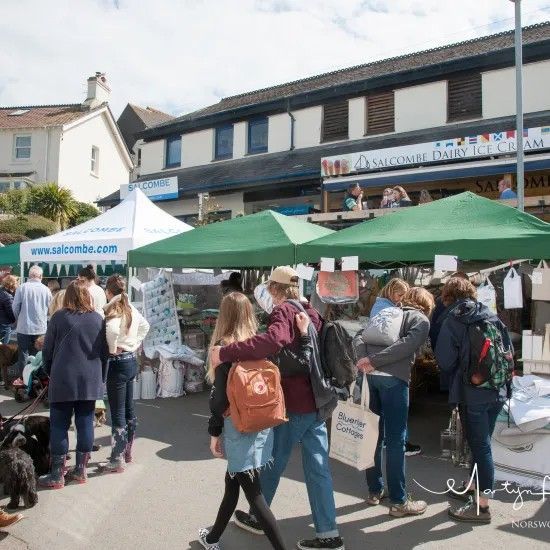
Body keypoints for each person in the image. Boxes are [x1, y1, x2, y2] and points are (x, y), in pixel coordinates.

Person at [210, 266, 343, 550]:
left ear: (274, 287)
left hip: (294, 403)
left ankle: (260, 516)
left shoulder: (283, 311)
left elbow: (273, 341)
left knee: (271, 460)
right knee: (318, 469)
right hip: (318, 402)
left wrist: (227, 352)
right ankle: (328, 534)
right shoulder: (312, 312)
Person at [200, 292, 299, 550]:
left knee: (254, 496)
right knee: (233, 482)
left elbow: (219, 399)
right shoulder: (257, 343)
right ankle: (212, 539)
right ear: (248, 313)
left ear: (224, 315)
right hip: (261, 421)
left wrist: (214, 434)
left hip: (237, 425)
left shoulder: (224, 348)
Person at [435, 278, 512, 524]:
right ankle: (471, 487)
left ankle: (482, 506)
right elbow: (509, 351)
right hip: (497, 389)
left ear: (448, 296)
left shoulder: (452, 320)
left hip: (473, 392)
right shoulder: (490, 315)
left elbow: (445, 361)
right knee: (481, 442)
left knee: (480, 446)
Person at [356, 287, 434, 517]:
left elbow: (359, 335)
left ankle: (374, 491)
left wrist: (365, 360)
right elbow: (407, 346)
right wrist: (375, 361)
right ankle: (399, 501)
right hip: (394, 380)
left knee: (373, 435)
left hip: (371, 379)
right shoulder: (420, 319)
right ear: (427, 306)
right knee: (395, 439)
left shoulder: (386, 312)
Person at [39, 280, 108, 489]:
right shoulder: (98, 319)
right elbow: (104, 353)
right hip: (90, 379)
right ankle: (81, 470)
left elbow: (47, 351)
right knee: (85, 422)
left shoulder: (59, 317)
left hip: (63, 378)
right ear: (88, 297)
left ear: (68, 296)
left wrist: (48, 371)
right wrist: (101, 378)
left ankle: (57, 474)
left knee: (59, 424)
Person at [100, 274, 149, 473]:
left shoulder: (116, 309)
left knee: (118, 413)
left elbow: (111, 330)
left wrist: (113, 347)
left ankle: (117, 458)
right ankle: (127, 453)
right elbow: (145, 326)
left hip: (118, 364)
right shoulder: (130, 307)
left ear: (109, 292)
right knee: (129, 410)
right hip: (130, 361)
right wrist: (133, 344)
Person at [367, 278, 422, 457]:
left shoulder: (379, 306)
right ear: (391, 291)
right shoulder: (389, 309)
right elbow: (394, 341)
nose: (400, 299)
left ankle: (375, 479)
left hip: (375, 371)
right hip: (389, 370)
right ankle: (398, 449)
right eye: (399, 295)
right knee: (395, 426)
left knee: (379, 421)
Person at [12, 265, 52, 377]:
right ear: (40, 276)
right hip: (40, 327)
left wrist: (18, 318)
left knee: (23, 354)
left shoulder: (22, 287)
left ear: (29, 275)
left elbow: (15, 307)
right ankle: (35, 380)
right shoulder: (46, 290)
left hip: (24, 327)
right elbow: (51, 309)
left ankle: (24, 380)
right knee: (38, 355)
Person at [0, 275, 18, 344]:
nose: (17, 285)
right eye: (16, 283)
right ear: (12, 284)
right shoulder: (7, 296)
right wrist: (15, 321)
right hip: (4, 325)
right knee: (3, 348)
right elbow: (11, 313)